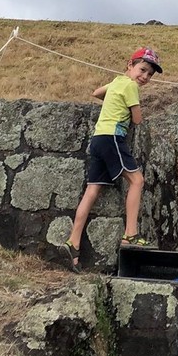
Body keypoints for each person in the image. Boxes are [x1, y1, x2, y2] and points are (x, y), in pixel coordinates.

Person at [63, 46, 162, 271]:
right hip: (112, 139)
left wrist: (113, 100)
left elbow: (96, 92)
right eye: (143, 69)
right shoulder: (130, 86)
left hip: (98, 139)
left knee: (92, 190)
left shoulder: (117, 82)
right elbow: (137, 120)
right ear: (130, 65)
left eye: (149, 74)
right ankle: (131, 234)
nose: (145, 76)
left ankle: (73, 242)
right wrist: (129, 108)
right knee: (137, 181)